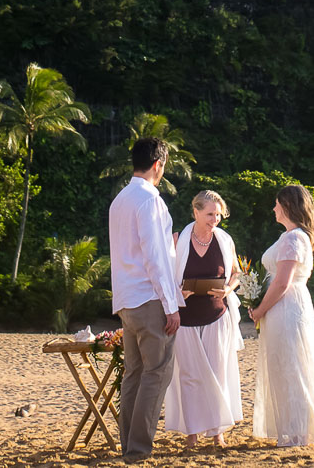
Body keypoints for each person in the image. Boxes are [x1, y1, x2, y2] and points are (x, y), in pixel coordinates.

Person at [107, 137, 183, 462]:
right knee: (158, 371)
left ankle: (129, 445)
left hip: (126, 298)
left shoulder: (119, 200)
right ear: (157, 165)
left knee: (134, 373)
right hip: (149, 297)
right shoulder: (150, 200)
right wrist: (171, 304)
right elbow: (155, 257)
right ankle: (138, 449)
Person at [247, 184, 314, 447]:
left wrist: (260, 310)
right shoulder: (291, 236)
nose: (273, 208)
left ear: (287, 206)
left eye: (276, 203)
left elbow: (282, 282)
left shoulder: (293, 238)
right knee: (285, 366)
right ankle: (292, 429)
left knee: (292, 367)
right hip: (284, 306)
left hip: (287, 306)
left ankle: (298, 432)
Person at [162, 189, 244, 447]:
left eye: (218, 215)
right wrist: (178, 292)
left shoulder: (225, 240)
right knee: (189, 377)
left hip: (216, 315)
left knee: (217, 373)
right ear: (195, 212)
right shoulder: (177, 240)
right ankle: (192, 433)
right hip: (185, 319)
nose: (215, 220)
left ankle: (217, 432)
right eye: (210, 214)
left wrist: (227, 289)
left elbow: (236, 273)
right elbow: (163, 276)